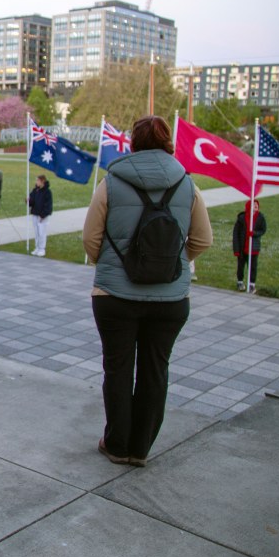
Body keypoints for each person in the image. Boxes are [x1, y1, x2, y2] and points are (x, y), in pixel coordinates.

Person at [82, 115, 212, 467]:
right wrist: (171, 261)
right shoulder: (188, 185)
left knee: (118, 370)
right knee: (156, 370)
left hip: (115, 296)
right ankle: (140, 449)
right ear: (168, 143)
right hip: (170, 298)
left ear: (133, 144)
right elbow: (203, 239)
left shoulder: (110, 183)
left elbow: (91, 239)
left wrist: (114, 265)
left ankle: (117, 444)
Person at [233, 199, 266, 294]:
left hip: (253, 247)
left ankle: (252, 284)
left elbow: (263, 230)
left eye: (257, 205)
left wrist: (254, 233)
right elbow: (236, 234)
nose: (255, 206)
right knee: (241, 265)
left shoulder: (260, 217)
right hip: (243, 247)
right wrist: (236, 249)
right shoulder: (242, 218)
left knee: (253, 266)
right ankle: (240, 281)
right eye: (253, 205)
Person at [28, 174, 52, 257]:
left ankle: (42, 249)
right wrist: (28, 200)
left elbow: (48, 205)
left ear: (42, 182)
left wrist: (43, 215)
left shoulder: (47, 192)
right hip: (35, 214)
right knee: (36, 232)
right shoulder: (35, 190)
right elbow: (32, 201)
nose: (36, 182)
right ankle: (37, 247)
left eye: (37, 180)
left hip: (42, 216)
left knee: (42, 232)